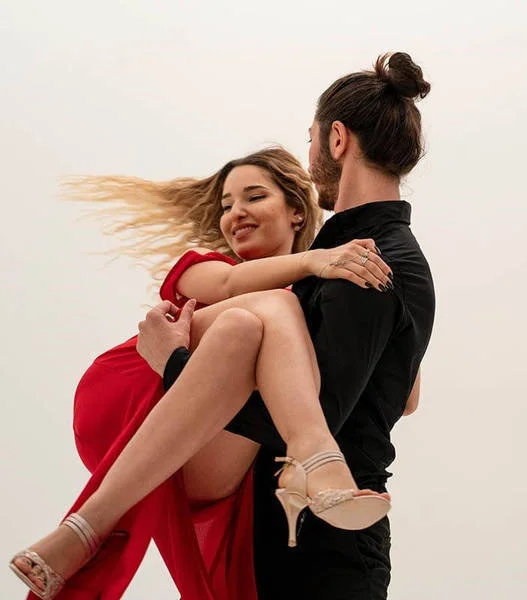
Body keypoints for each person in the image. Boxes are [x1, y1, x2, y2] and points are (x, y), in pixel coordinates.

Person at [9, 147, 395, 600]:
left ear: (297, 211)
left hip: (200, 453)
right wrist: (314, 260)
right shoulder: (203, 265)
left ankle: (84, 530)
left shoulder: (317, 301)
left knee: (246, 326)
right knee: (261, 311)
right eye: (227, 205)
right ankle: (314, 456)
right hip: (132, 394)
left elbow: (400, 396)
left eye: (254, 197)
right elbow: (231, 286)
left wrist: (390, 311)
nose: (236, 213)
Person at [139, 51, 435, 599]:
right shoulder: (358, 256)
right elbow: (401, 396)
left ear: (337, 140)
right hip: (299, 543)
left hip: (325, 553)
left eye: (311, 139)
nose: (310, 154)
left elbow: (311, 417)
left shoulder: (362, 263)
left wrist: (175, 365)